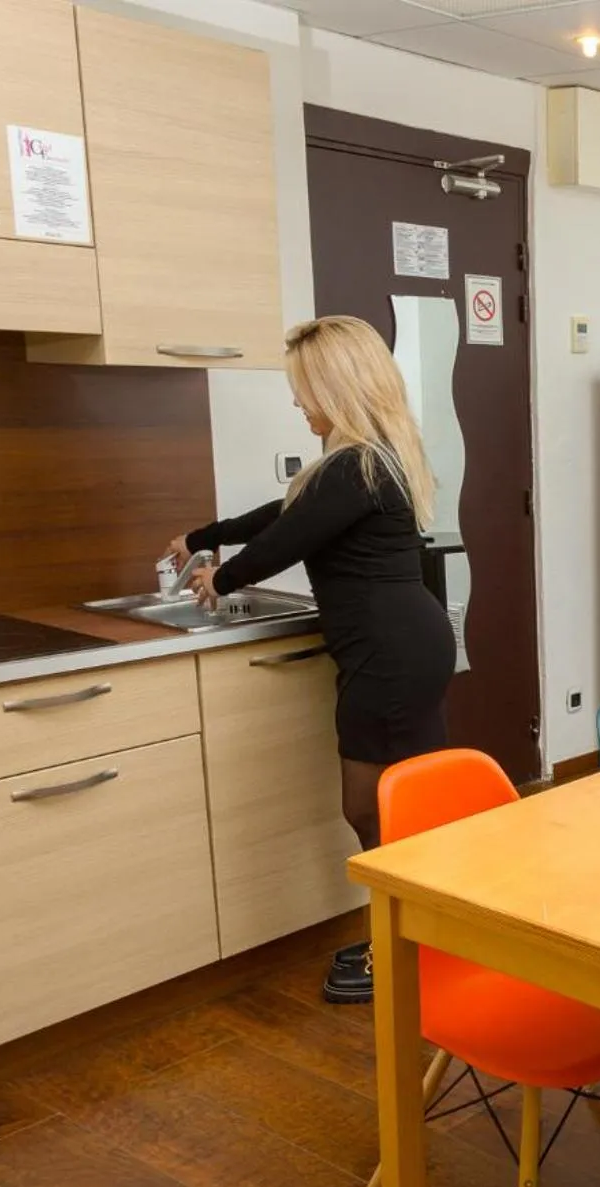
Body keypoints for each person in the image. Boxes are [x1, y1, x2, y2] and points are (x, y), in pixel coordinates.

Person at [169, 316, 455, 1005]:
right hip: (400, 645)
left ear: (338, 387)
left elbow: (288, 537)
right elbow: (284, 509)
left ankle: (409, 941)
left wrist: (223, 577)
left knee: (371, 806)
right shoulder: (367, 459)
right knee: (392, 801)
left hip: (390, 654)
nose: (299, 405)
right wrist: (206, 537)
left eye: (305, 393)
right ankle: (419, 933)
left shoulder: (358, 464)